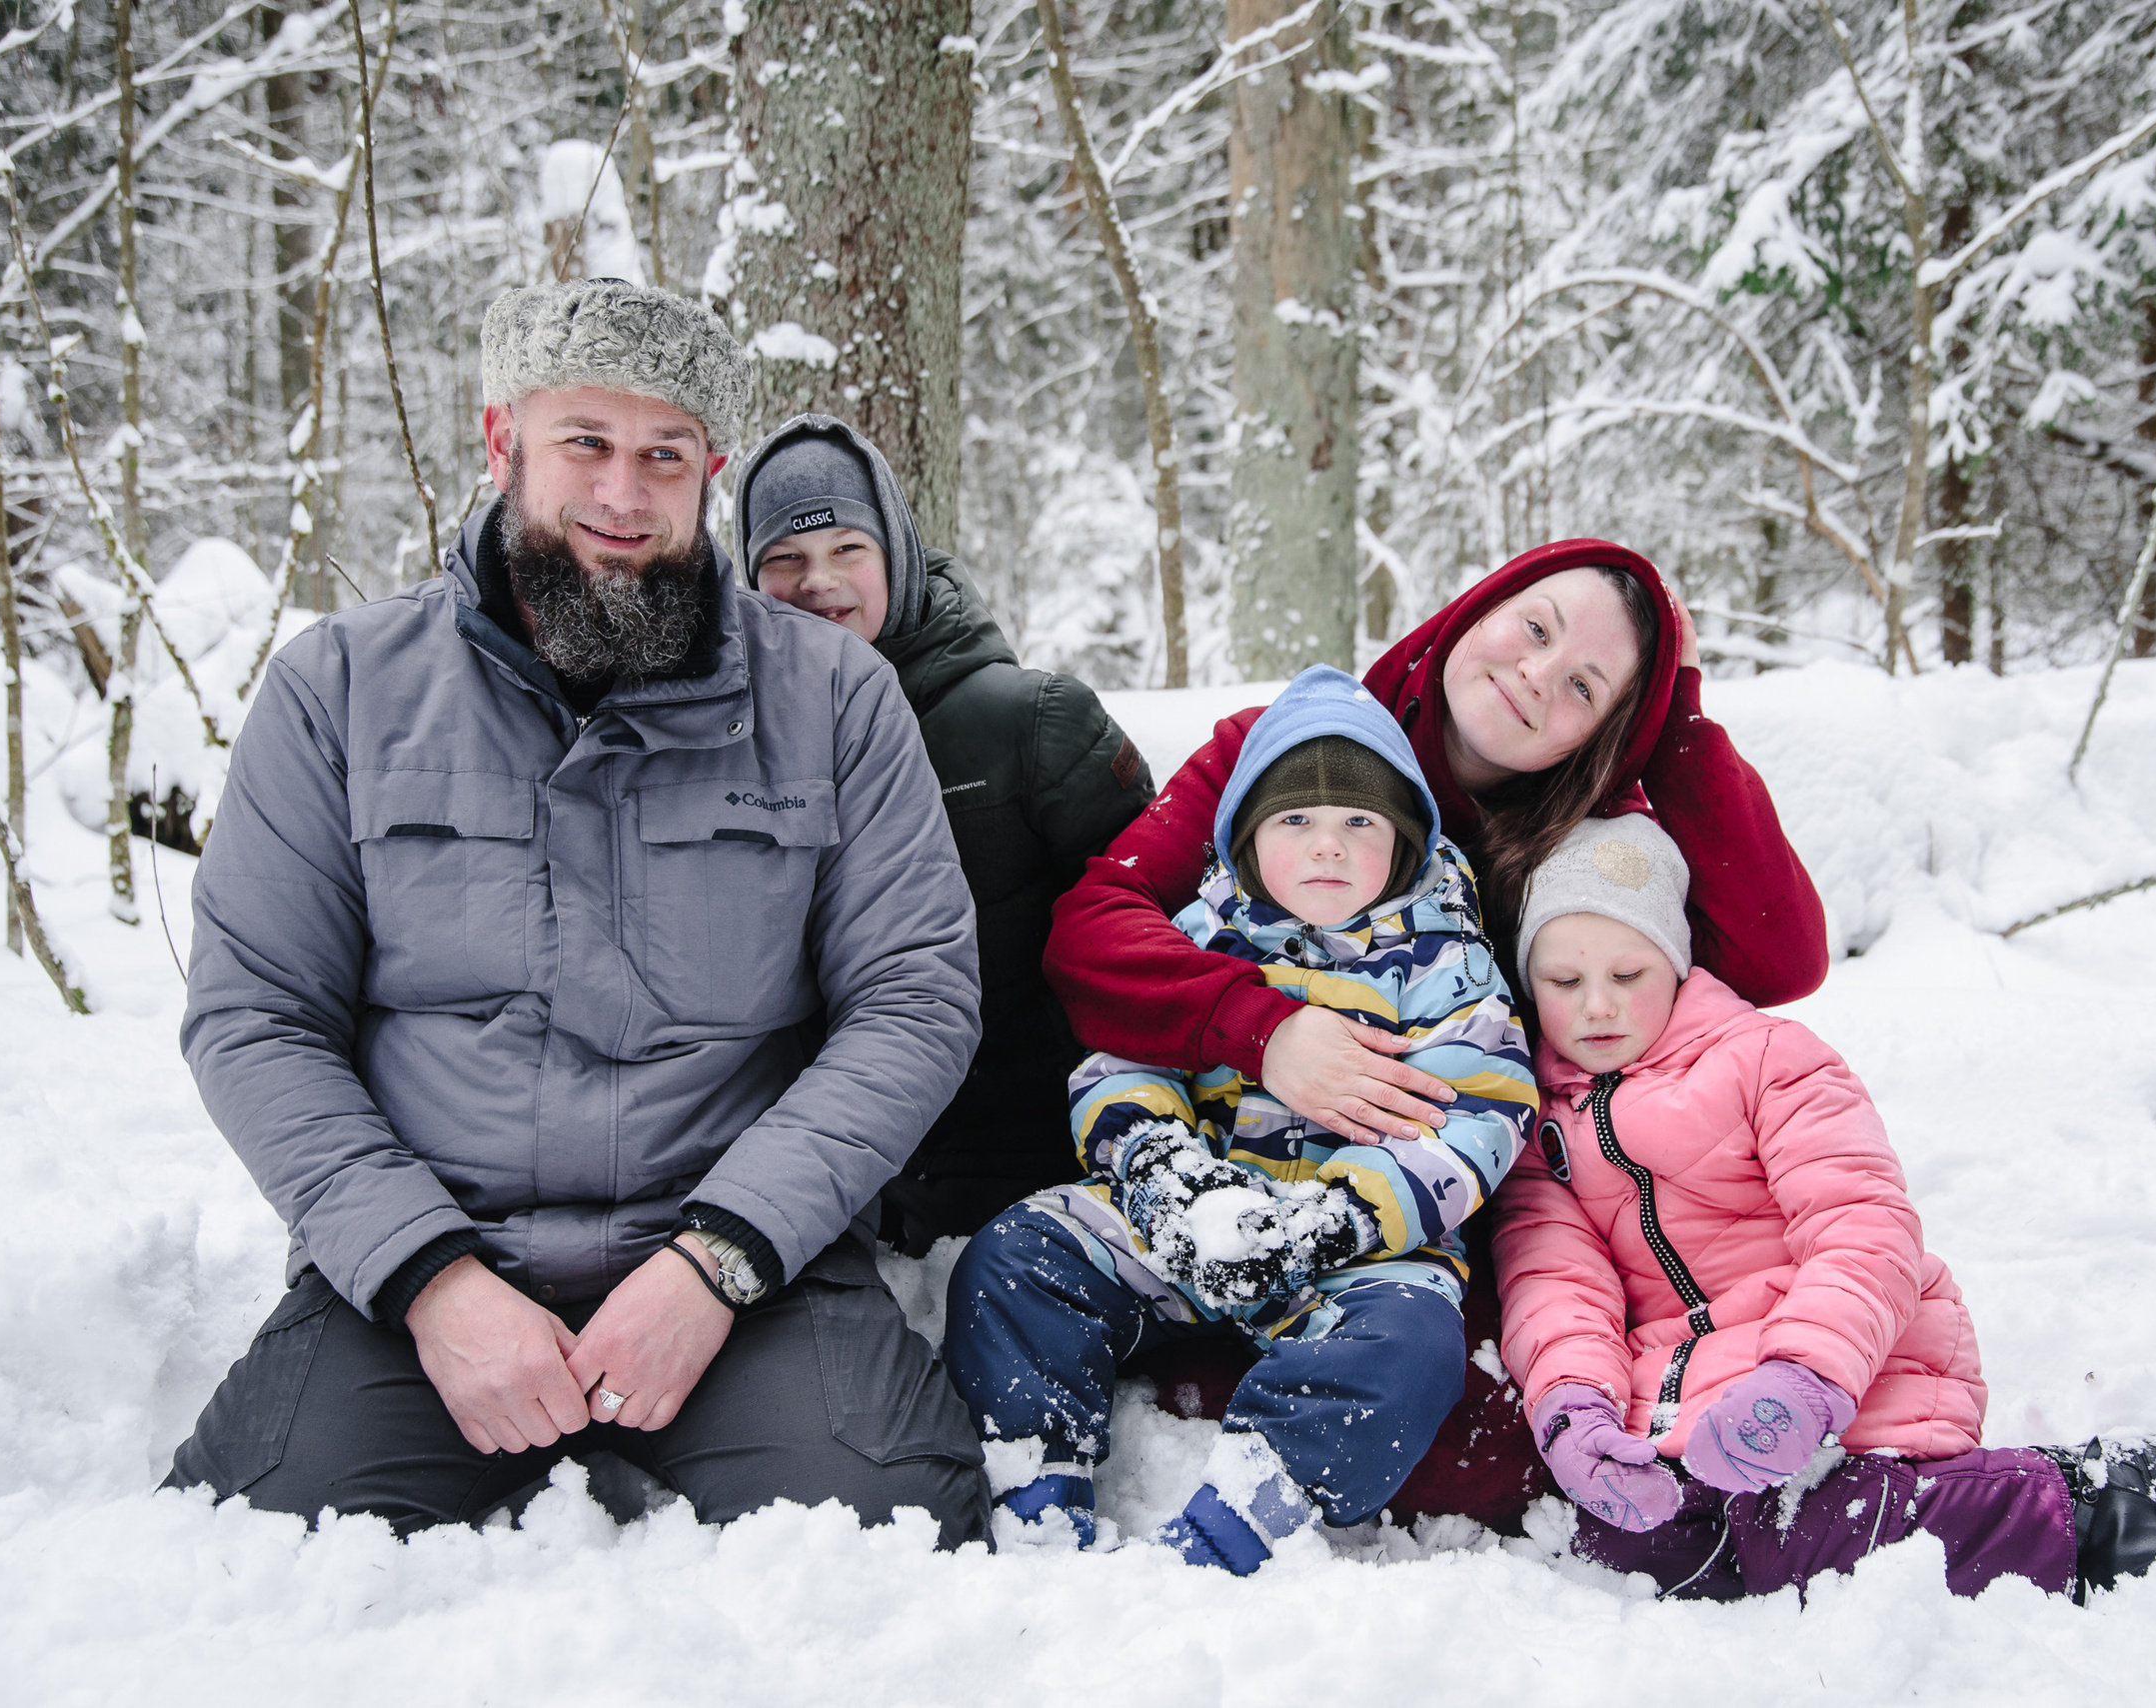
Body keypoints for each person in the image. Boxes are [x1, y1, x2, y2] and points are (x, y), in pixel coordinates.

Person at [163, 280, 990, 1542]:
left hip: (744, 1276)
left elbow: (914, 1000)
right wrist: (432, 1279)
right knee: (239, 1553)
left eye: (664, 454)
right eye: (585, 444)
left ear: (709, 469)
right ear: (504, 443)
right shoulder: (338, 688)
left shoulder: (833, 698)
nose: (624, 492)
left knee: (898, 1539)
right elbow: (255, 1016)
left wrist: (717, 1260)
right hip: (428, 1276)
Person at [1042, 541, 1827, 1525]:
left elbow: (1779, 956)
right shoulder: (1283, 746)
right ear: (1478, 606)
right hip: (1224, 1147)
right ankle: (1200, 1354)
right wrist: (1261, 1027)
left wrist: (1678, 719)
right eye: (1533, 628)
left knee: (1488, 1443)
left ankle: (1258, 1398)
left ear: (1604, 733)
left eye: (1585, 684)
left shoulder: (1576, 835)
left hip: (1430, 1206)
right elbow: (1094, 926)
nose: (1536, 673)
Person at [1496, 815, 2156, 1600]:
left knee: (1810, 1531)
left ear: (1677, 963)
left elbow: (1863, 1225)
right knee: (1629, 1547)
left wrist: (1807, 1378)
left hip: (1856, 1358)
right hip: (1685, 1398)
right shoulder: (1533, 1128)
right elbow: (1556, 1286)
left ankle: (2088, 1500)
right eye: (1563, 982)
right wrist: (1573, 1408)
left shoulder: (1770, 1060)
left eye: (1629, 976)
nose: (1597, 1007)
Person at [945, 666, 1538, 1571]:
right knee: (1018, 1257)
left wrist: (1331, 1223)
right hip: (1194, 1215)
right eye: (1295, 820)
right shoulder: (1199, 935)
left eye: (1359, 824)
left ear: (1406, 838)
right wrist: (1167, 1177)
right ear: (1248, 836)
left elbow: (1480, 1117)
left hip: (1355, 1255)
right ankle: (1038, 1484)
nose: (1327, 847)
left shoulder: (1446, 967)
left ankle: (1244, 1515)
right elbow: (1121, 1057)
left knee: (1414, 1350)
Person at [734, 416, 1153, 1251]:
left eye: (848, 548)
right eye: (784, 559)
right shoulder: (731, 748)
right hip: (830, 1193)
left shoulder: (1033, 726)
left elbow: (1156, 937)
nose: (819, 582)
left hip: (1036, 1182)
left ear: (897, 554)